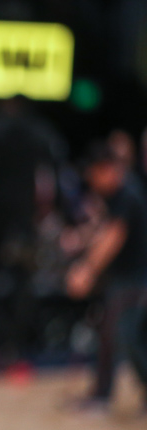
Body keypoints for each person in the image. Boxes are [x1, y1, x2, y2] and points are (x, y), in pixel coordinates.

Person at [66, 144, 147, 410]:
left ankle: (102, 395)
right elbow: (105, 229)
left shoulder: (127, 194)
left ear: (106, 169)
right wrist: (80, 239)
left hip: (135, 279)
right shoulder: (119, 195)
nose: (92, 182)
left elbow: (114, 236)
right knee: (114, 335)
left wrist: (87, 270)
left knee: (126, 336)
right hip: (125, 278)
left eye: (94, 175)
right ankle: (101, 393)